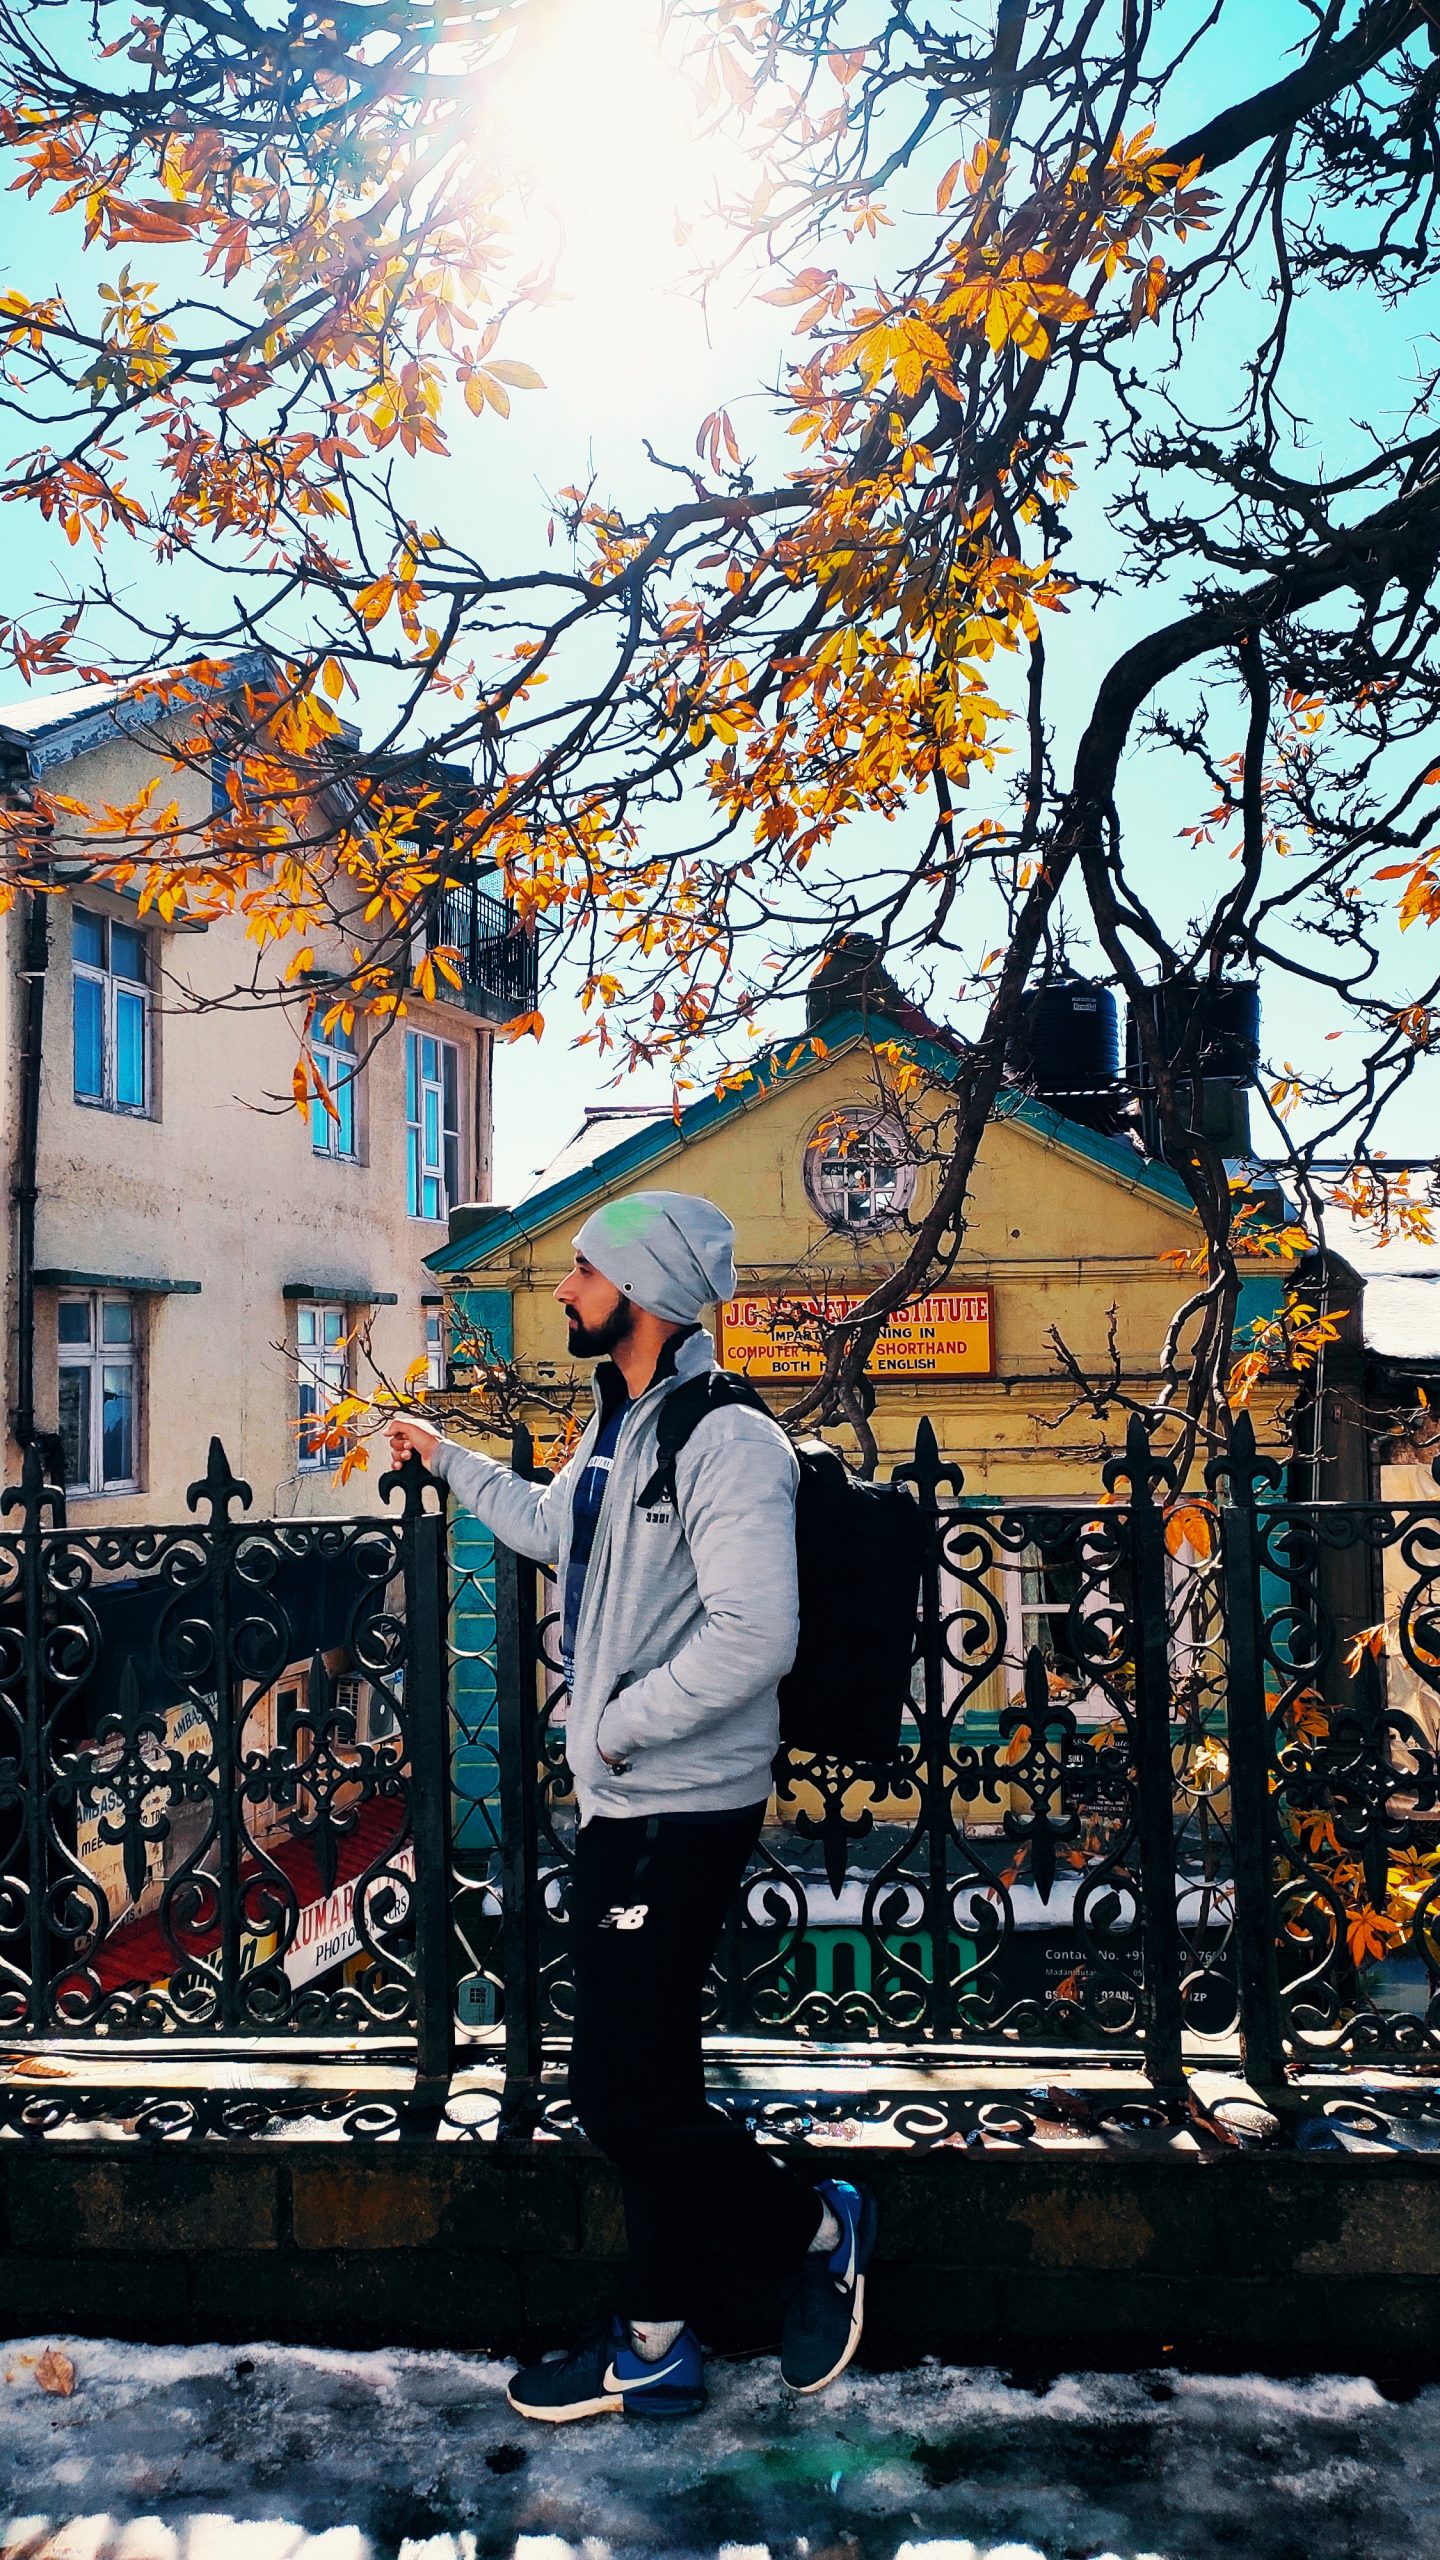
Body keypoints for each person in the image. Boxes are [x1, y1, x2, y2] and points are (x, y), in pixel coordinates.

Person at [387, 1189, 876, 2423]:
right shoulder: (620, 1425)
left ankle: (819, 2225)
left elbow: (758, 1632)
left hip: (681, 1807)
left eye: (585, 1271)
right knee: (652, 2081)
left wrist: (614, 1722)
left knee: (612, 2092)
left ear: (645, 1289)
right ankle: (656, 2339)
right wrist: (445, 1460)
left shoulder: (726, 1439)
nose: (563, 1288)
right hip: (626, 1806)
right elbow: (559, 1529)